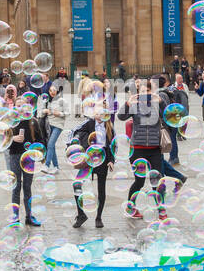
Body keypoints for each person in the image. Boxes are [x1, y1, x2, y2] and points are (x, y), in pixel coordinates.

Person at [119, 77, 171, 220]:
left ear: (151, 91)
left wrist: (160, 101)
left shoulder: (156, 104)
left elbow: (168, 115)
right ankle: (130, 208)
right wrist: (128, 103)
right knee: (139, 181)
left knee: (157, 181)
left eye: (147, 91)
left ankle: (161, 210)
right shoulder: (134, 105)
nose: (145, 93)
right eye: (142, 91)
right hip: (137, 149)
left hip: (154, 149)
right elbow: (121, 116)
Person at [69, 108, 115, 229]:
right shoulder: (89, 123)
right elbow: (75, 131)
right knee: (76, 184)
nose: (97, 114)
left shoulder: (110, 127)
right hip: (89, 158)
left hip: (103, 158)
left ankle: (99, 217)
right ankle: (81, 215)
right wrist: (76, 141)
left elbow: (112, 146)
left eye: (100, 113)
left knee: (101, 188)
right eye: (96, 112)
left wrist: (111, 160)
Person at [6, 94, 43, 226]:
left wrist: (36, 151)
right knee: (16, 187)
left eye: (23, 105)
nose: (21, 108)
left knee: (27, 187)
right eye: (18, 105)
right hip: (15, 155)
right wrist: (12, 138)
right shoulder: (10, 121)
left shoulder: (33, 121)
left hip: (29, 158)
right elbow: (2, 140)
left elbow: (40, 140)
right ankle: (15, 216)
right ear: (14, 107)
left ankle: (29, 216)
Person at [45, 84, 67, 172]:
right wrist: (45, 111)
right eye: (50, 91)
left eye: (54, 90)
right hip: (50, 125)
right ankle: (56, 167)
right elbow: (42, 111)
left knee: (50, 144)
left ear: (57, 91)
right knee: (52, 146)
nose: (52, 92)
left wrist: (60, 114)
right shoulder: (49, 101)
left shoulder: (62, 101)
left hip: (58, 125)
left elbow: (67, 113)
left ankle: (47, 165)